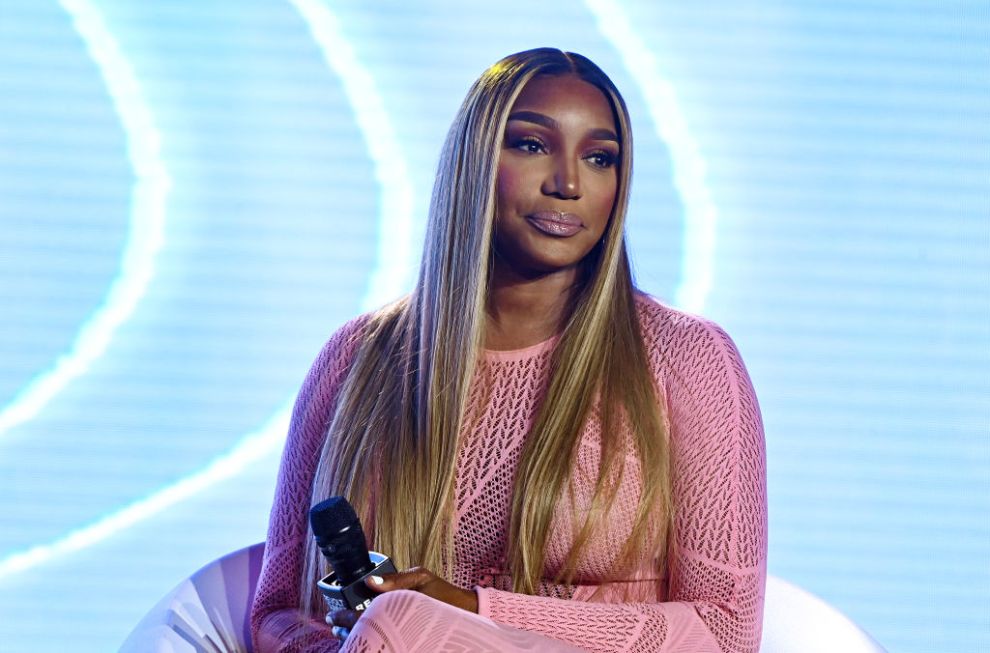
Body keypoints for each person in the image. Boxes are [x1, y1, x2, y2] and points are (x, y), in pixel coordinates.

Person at [251, 47, 767, 652]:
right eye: (531, 145)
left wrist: (465, 612)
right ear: (474, 162)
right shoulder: (357, 360)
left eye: (600, 158)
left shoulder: (689, 361)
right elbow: (277, 610)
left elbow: (726, 630)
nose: (568, 183)